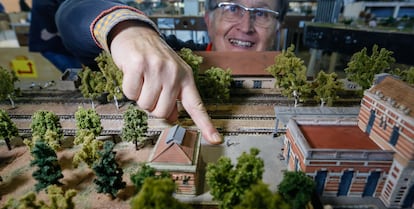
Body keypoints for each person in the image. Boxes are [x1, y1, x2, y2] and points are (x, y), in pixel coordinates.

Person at [56, 0, 288, 144]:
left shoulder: (286, 77)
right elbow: (69, 12)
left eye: (262, 13)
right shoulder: (172, 55)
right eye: (231, 8)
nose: (246, 26)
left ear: (279, 27)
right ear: (209, 19)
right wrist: (125, 29)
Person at [29, 0, 82, 72]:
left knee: (78, 73)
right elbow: (45, 6)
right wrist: (52, 30)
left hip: (62, 44)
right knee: (77, 73)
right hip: (53, 45)